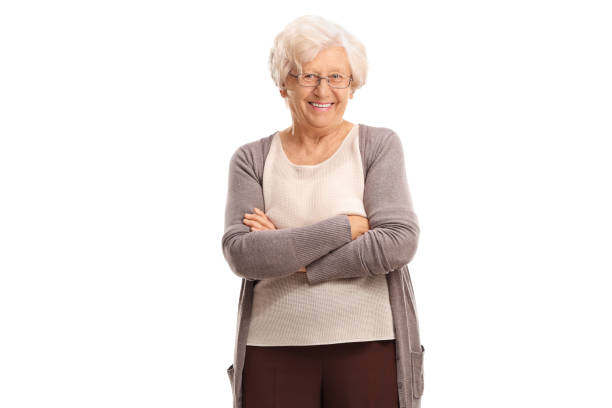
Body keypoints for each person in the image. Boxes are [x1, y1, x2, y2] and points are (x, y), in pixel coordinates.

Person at [222, 15, 425, 408]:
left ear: (352, 85)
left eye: (337, 77)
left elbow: (397, 242)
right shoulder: (251, 159)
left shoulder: (377, 146)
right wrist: (347, 227)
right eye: (309, 76)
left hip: (368, 344)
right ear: (284, 83)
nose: (324, 90)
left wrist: (291, 256)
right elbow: (243, 253)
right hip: (272, 346)